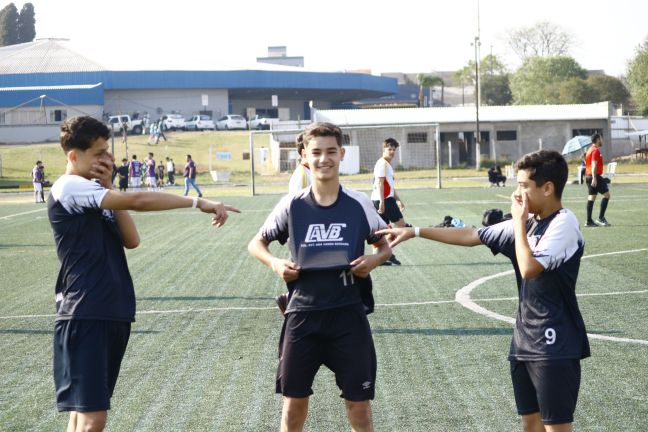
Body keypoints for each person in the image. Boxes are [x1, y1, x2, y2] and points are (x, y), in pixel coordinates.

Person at [48, 116, 240, 432]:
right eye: (98, 153)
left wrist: (109, 188)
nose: (107, 159)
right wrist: (197, 202)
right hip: (85, 311)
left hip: (110, 310)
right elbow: (137, 199)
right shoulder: (70, 187)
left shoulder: (98, 193)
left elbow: (131, 240)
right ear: (73, 156)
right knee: (92, 419)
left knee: (83, 416)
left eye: (107, 151)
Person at [378, 149, 590, 432]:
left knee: (555, 427)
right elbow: (472, 235)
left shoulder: (564, 224)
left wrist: (517, 221)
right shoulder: (528, 222)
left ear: (548, 188)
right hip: (525, 339)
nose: (517, 193)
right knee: (529, 423)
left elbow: (529, 268)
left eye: (524, 186)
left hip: (555, 343)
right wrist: (415, 231)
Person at [248, 122, 391, 432]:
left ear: (341, 154)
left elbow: (385, 245)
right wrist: (275, 264)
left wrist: (374, 259)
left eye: (330, 152)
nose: (324, 159)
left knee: (359, 406)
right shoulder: (292, 205)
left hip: (348, 314)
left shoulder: (359, 204)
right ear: (303, 157)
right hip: (302, 314)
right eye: (316, 153)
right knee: (293, 404)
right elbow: (256, 244)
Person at [371, 137, 408, 265]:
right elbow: (380, 184)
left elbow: (389, 186)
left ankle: (381, 256)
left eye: (394, 149)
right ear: (384, 149)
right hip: (384, 201)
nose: (392, 151)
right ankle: (387, 254)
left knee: (383, 230)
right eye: (389, 149)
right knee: (403, 227)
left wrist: (399, 200)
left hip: (384, 200)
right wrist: (382, 202)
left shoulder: (386, 164)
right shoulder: (382, 164)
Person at [584, 133, 611, 227]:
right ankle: (600, 218)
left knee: (592, 197)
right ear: (597, 139)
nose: (602, 140)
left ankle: (588, 221)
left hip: (588, 176)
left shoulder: (590, 149)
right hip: (594, 176)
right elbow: (594, 165)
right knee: (607, 195)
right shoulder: (595, 150)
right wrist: (595, 178)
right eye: (601, 138)